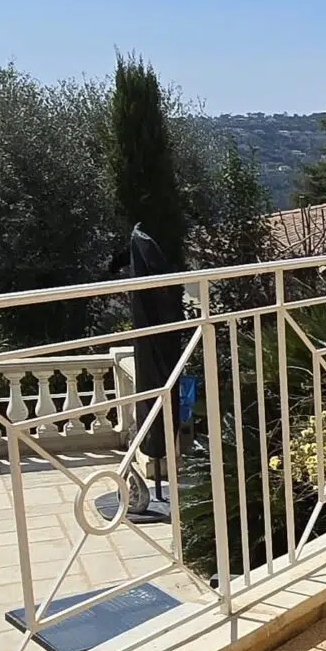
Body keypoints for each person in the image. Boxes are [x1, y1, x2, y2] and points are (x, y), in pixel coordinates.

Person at [110, 223, 183, 524]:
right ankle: (147, 471)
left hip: (159, 348)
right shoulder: (146, 259)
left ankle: (150, 472)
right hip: (156, 344)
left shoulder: (150, 260)